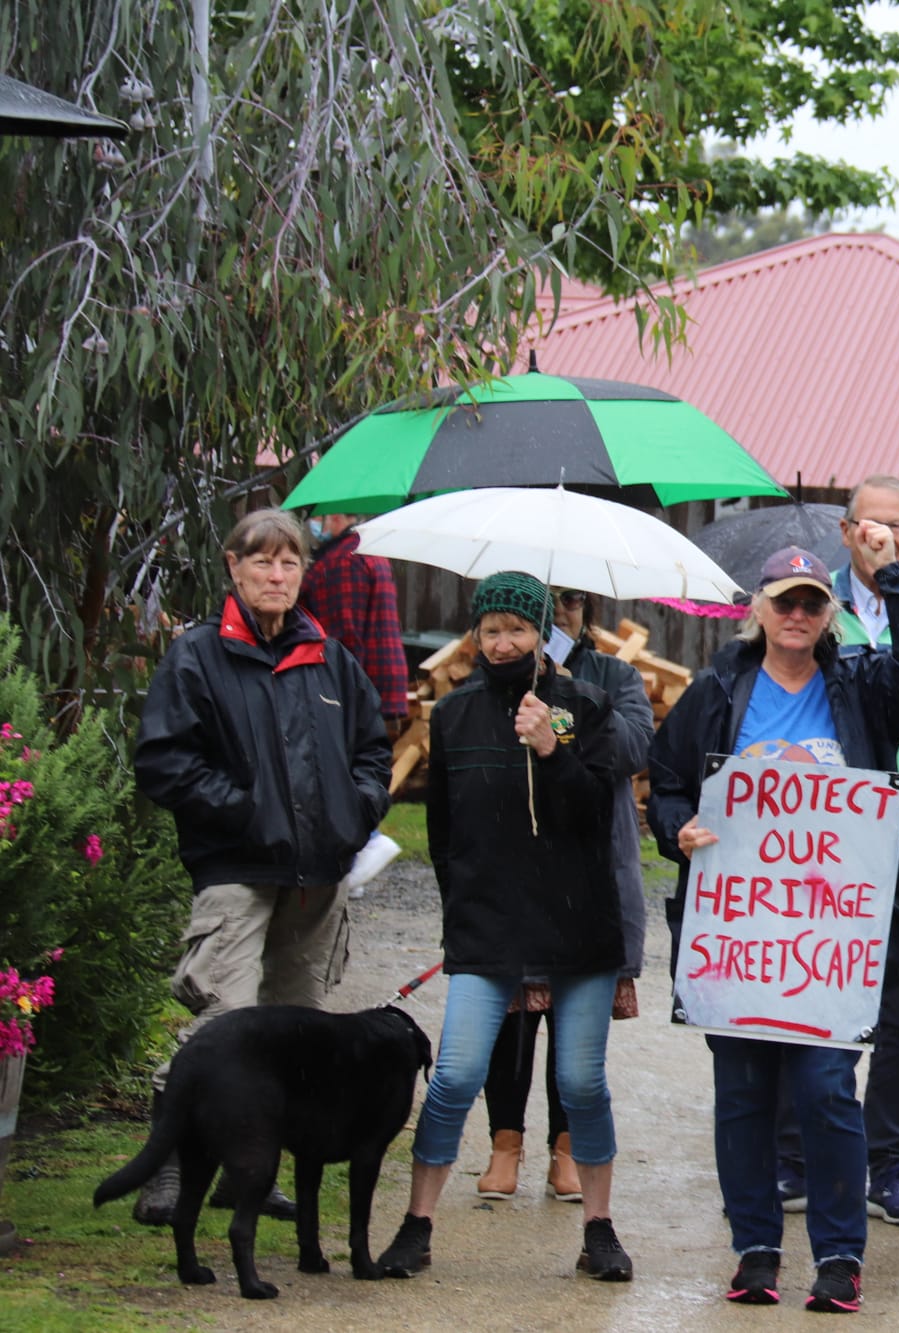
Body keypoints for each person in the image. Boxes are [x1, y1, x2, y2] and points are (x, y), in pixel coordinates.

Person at [648, 539, 899, 1312]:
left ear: (831, 612)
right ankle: (755, 1249)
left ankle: (841, 1255)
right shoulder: (719, 686)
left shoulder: (862, 687)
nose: (798, 613)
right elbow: (670, 783)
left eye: (813, 601)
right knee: (743, 1093)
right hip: (738, 933)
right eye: (785, 599)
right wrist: (678, 827)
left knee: (825, 1090)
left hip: (831, 942)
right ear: (759, 607)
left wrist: (889, 575)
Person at [133, 507, 392, 1226]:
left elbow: (373, 750)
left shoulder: (330, 660)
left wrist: (354, 809)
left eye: (289, 563)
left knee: (294, 1031)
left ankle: (252, 1169)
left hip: (317, 878)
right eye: (262, 562)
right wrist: (248, 811)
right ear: (233, 567)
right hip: (236, 868)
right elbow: (164, 762)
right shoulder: (197, 657)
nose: (276, 575)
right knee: (224, 1019)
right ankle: (171, 1163)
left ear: (303, 573)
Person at [374, 571, 632, 1283]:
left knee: (581, 1081)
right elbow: (445, 837)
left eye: (517, 628)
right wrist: (464, 921)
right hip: (489, 932)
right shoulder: (453, 716)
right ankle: (416, 1223)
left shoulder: (585, 704)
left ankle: (600, 1228)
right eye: (490, 628)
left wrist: (553, 749)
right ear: (475, 634)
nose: (502, 641)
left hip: (580, 930)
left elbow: (594, 819)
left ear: (542, 632)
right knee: (454, 1076)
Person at [772, 476, 899, 1229]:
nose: (884, 537)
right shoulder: (808, 602)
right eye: (870, 525)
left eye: (898, 527)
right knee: (810, 1001)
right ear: (845, 528)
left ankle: (891, 1162)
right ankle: (798, 1155)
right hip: (824, 841)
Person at [471, 587, 653, 1204]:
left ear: (589, 610)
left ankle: (566, 1148)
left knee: (574, 1026)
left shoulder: (614, 675)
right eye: (552, 603)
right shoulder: (496, 674)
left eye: (573, 602)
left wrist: (570, 702)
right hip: (515, 872)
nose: (564, 613)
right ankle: (505, 1143)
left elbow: (631, 750)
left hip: (588, 871)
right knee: (511, 1017)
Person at [298, 510, 409, 896]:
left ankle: (366, 842)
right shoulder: (368, 553)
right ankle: (354, 855)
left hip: (350, 685)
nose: (312, 525)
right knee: (354, 766)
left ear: (337, 516)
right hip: (376, 680)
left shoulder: (343, 561)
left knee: (337, 767)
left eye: (318, 517)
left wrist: (337, 692)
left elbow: (344, 636)